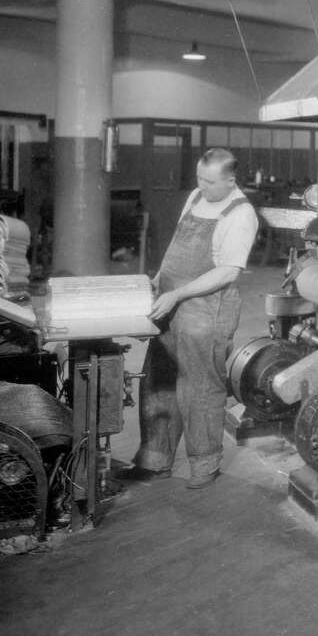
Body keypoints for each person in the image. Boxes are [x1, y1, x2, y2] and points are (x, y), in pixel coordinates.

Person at [119, 148, 259, 489]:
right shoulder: (197, 197)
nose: (203, 186)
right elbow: (177, 247)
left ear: (231, 179)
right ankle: (154, 460)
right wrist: (158, 278)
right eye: (199, 178)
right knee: (159, 381)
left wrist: (178, 294)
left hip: (206, 309)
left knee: (199, 388)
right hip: (170, 302)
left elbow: (227, 271)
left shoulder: (241, 214)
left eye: (211, 182)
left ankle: (205, 464)